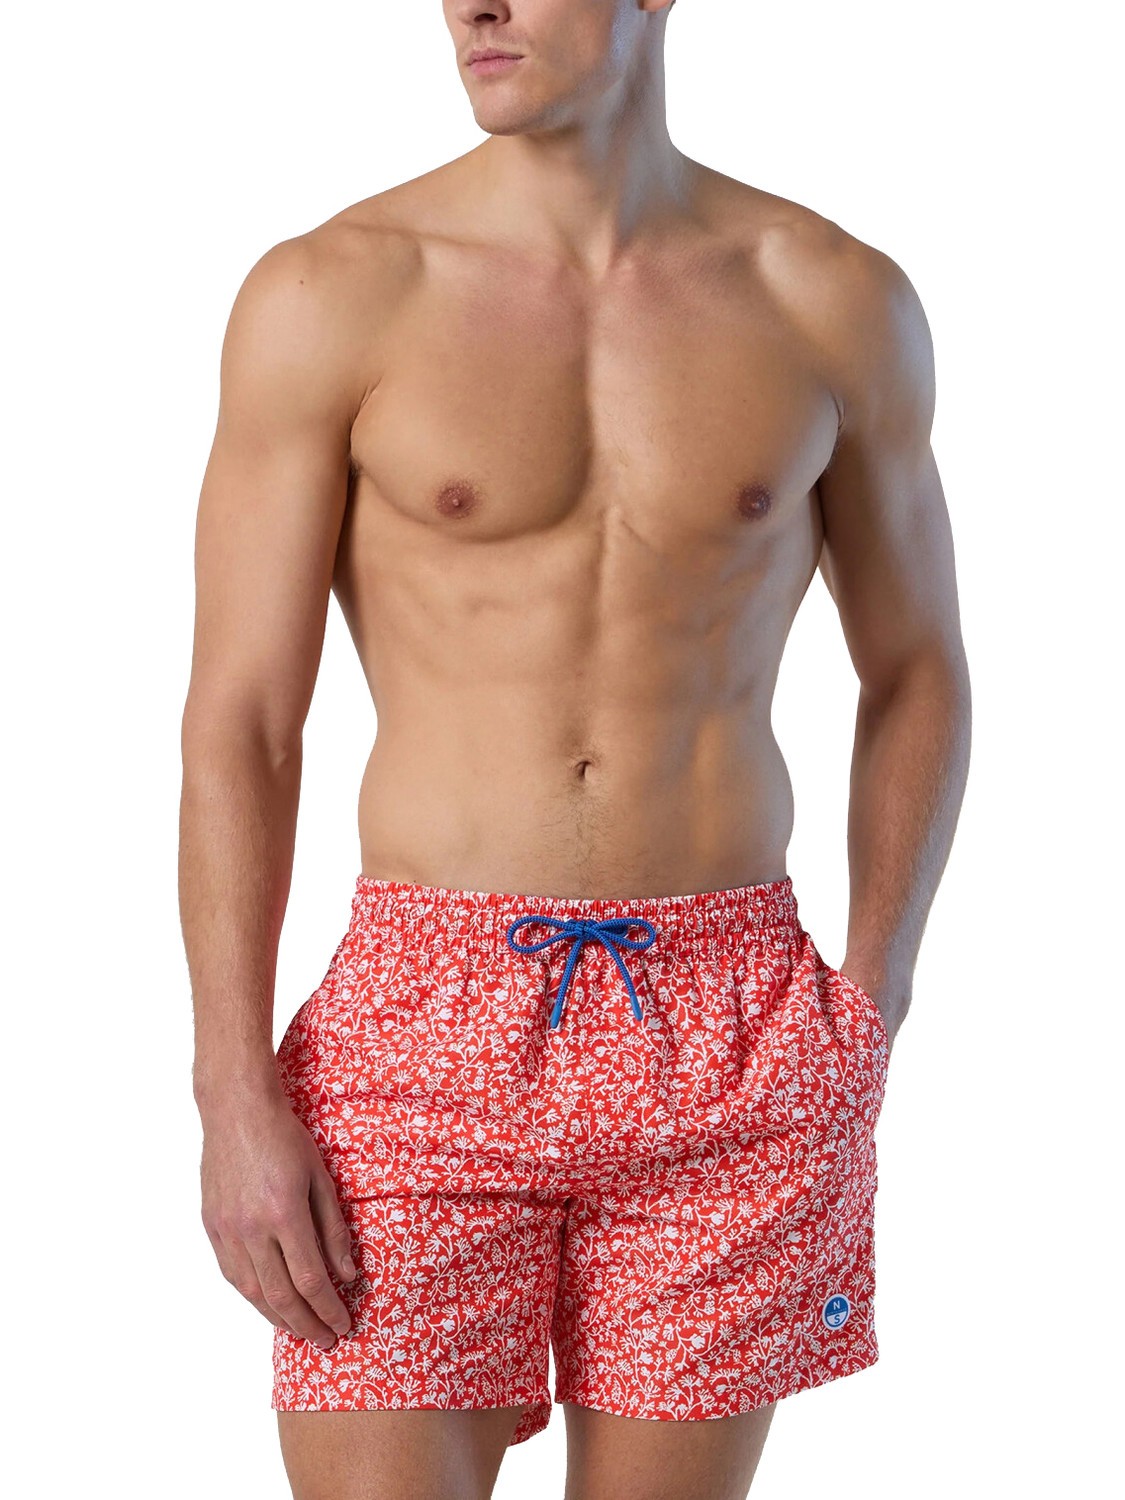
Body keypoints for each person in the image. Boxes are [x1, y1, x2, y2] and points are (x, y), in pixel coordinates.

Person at [179, 2, 971, 1496]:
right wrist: (230, 1085)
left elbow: (918, 666)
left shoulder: (828, 296)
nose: (469, 4)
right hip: (421, 1024)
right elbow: (244, 719)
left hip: (732, 1021)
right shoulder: (334, 292)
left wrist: (872, 1000)